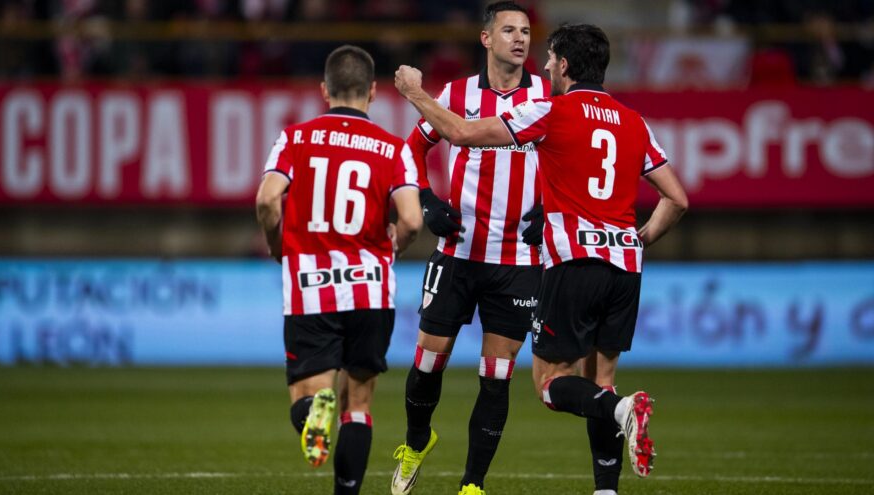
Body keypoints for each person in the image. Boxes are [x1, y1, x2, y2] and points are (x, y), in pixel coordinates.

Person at [394, 23, 689, 495]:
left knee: (551, 385)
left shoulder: (550, 110)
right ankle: (606, 488)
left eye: (549, 55)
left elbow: (465, 133)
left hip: (568, 262)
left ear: (566, 65)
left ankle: (618, 411)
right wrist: (638, 239)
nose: (543, 63)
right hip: (625, 268)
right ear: (487, 37)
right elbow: (677, 199)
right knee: (602, 380)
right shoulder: (634, 120)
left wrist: (413, 91)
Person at [390, 3, 550, 495]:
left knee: (496, 376)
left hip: (519, 262)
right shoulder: (457, 95)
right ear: (486, 38)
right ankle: (418, 442)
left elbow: (574, 159)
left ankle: (473, 485)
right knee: (426, 366)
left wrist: (551, 208)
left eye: (525, 31)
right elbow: (410, 149)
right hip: (457, 252)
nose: (519, 39)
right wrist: (426, 197)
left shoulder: (548, 96)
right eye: (508, 30)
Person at [255, 44, 422, 495]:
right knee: (360, 404)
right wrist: (393, 249)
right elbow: (412, 219)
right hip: (371, 288)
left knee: (307, 395)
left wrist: (278, 245)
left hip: (310, 286)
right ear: (372, 90)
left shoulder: (295, 138)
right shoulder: (393, 148)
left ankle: (313, 413)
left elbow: (268, 199)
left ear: (324, 90)